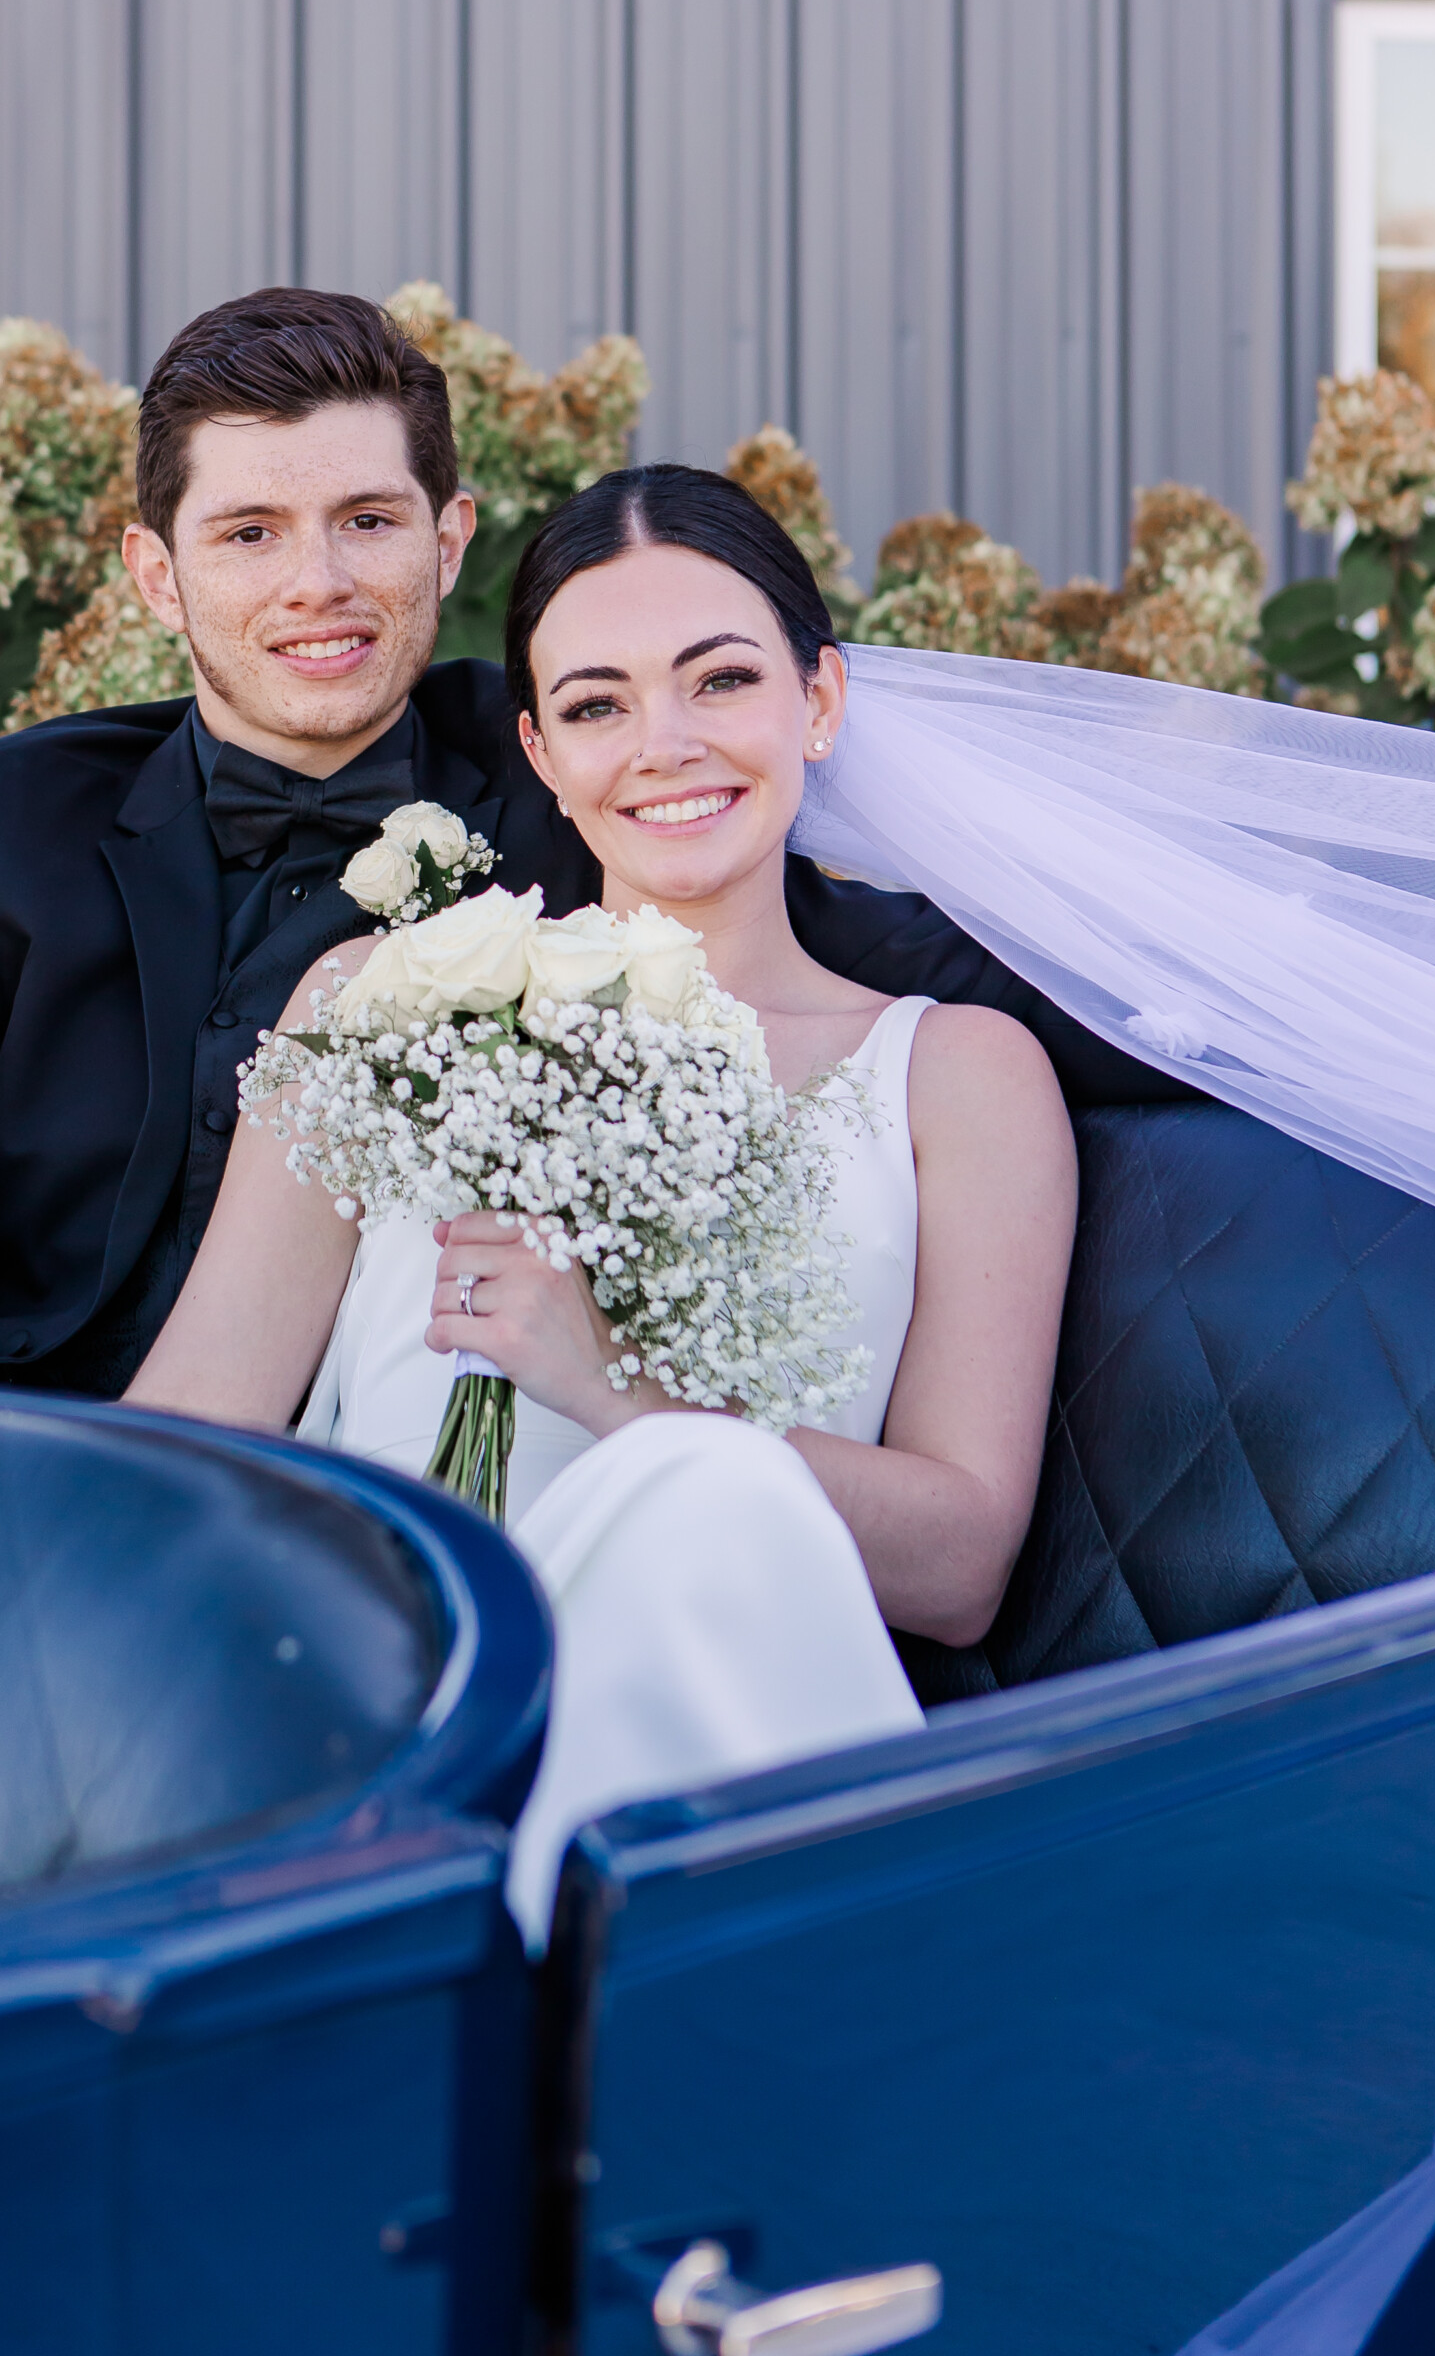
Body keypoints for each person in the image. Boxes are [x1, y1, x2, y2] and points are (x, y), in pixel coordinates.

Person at [0, 288, 1169, 1384]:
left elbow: (893, 971)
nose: (320, 585)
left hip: (388, 1493)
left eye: (365, 520)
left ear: (449, 533)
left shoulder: (589, 769)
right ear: (154, 572)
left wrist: (1284, 1032)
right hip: (21, 1447)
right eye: (251, 531)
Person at [128, 465, 1080, 1939]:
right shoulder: (383, 1004)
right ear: (541, 752)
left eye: (723, 679)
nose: (667, 745)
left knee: (696, 1494)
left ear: (818, 702)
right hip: (401, 1697)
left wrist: (615, 1390)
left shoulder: (957, 1074)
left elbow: (959, 1566)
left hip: (744, 1743)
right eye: (597, 704)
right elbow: (194, 1426)